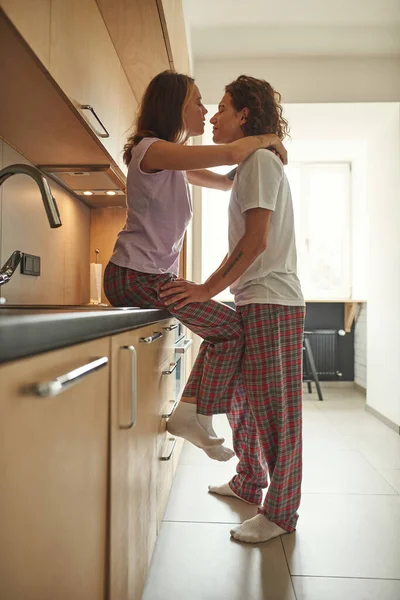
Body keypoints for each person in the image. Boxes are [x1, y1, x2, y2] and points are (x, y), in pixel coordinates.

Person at [103, 70, 287, 462]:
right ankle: (192, 414)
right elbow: (231, 156)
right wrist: (271, 137)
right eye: (198, 102)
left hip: (149, 276)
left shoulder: (176, 161)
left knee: (228, 331)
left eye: (212, 105)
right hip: (134, 275)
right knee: (231, 331)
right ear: (174, 106)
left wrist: (263, 157)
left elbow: (227, 179)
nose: (205, 111)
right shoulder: (153, 150)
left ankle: (191, 413)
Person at [160, 75, 305, 544]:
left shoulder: (261, 162)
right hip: (253, 299)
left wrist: (206, 289)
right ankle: (248, 481)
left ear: (244, 113)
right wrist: (167, 159)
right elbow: (202, 173)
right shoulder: (249, 164)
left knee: (276, 413)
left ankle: (281, 513)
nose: (214, 116)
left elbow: (256, 240)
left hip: (271, 301)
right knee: (244, 401)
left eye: (221, 107)